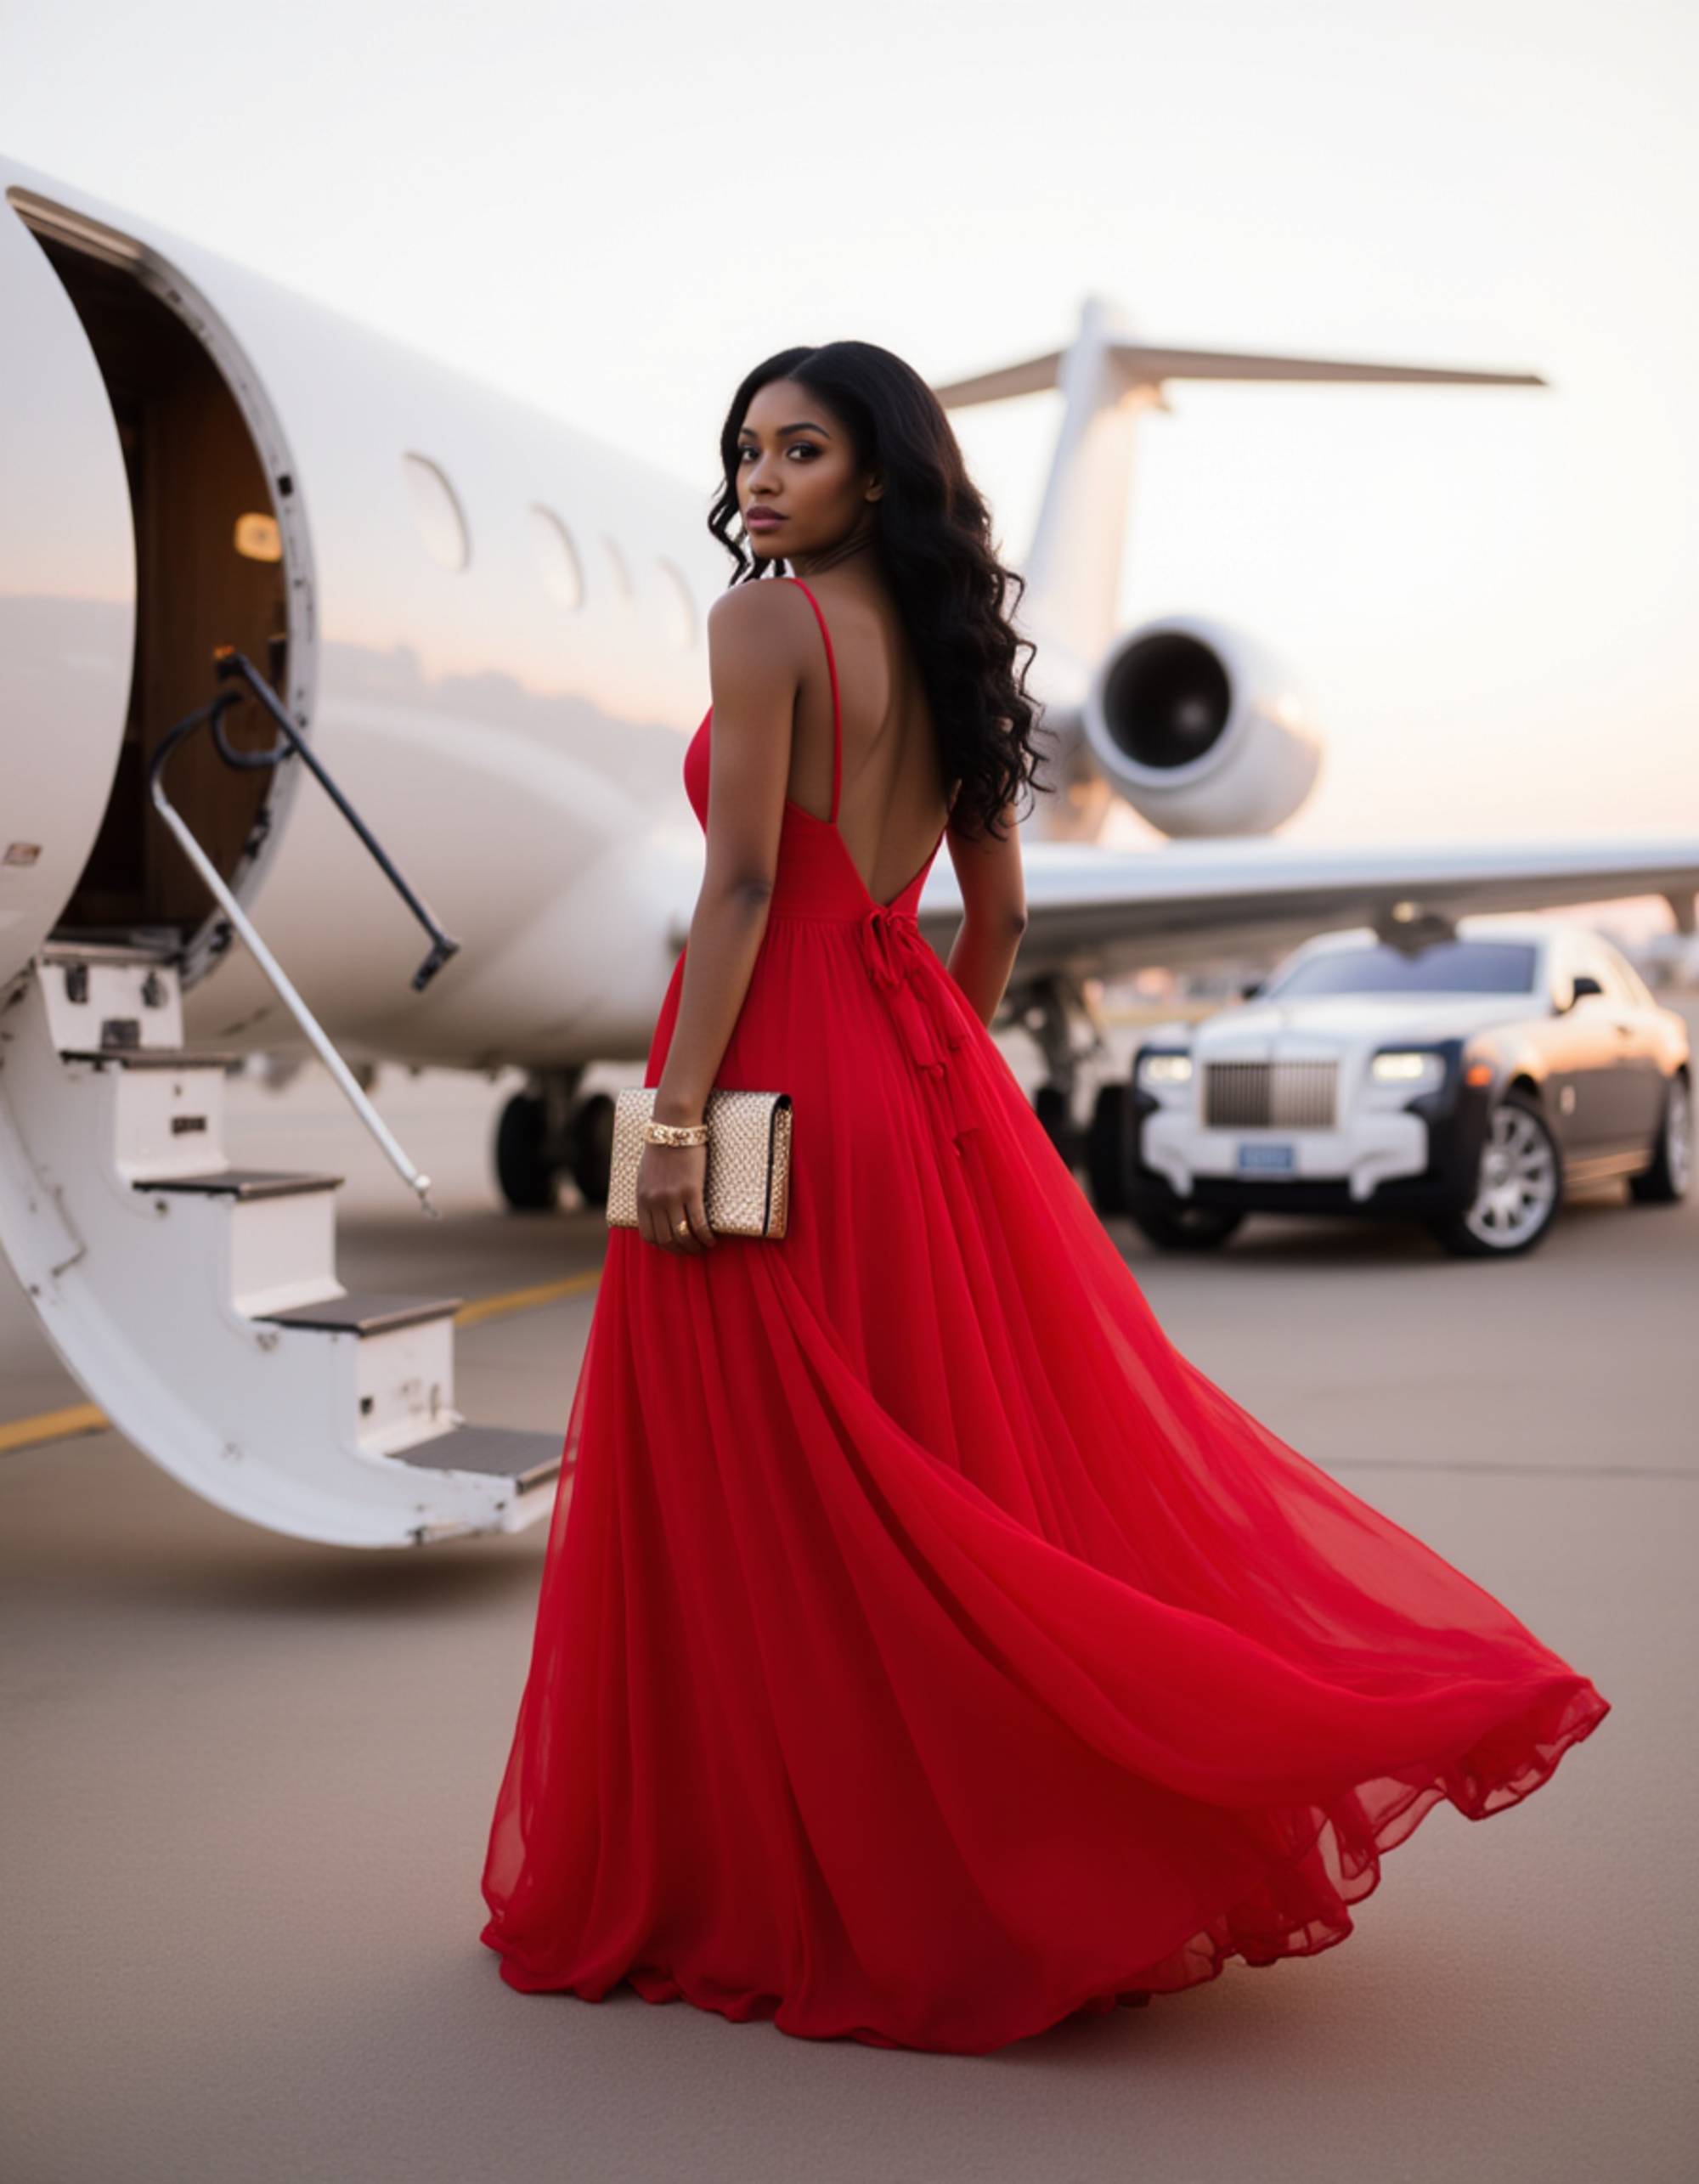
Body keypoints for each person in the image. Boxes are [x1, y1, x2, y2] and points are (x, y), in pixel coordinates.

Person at [478, 340, 1609, 2056]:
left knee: (768, 1489)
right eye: (746, 450)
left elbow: (743, 887)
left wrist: (679, 1113)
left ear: (875, 469)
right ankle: (1008, 1836)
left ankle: (800, 1868)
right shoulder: (959, 655)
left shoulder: (762, 623)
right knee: (930, 1468)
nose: (761, 479)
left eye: (800, 448)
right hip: (902, 1063)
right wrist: (921, 1049)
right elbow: (986, 922)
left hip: (764, 1056)